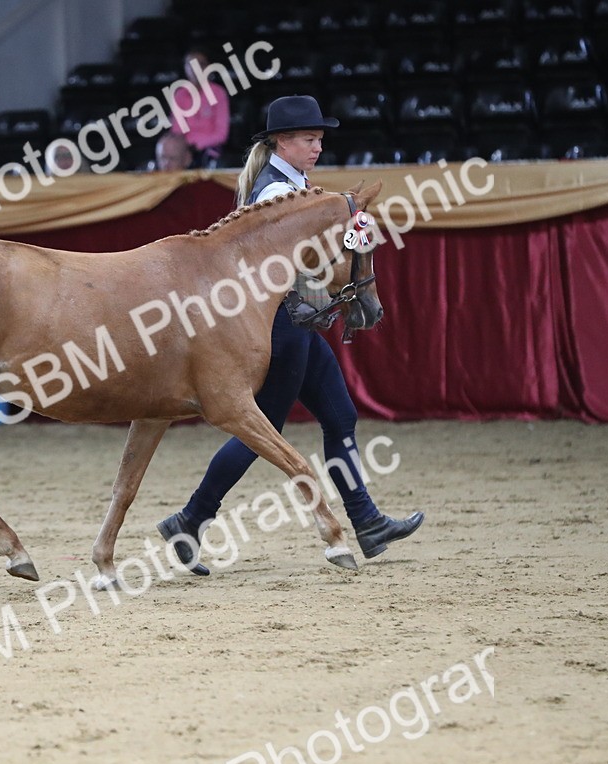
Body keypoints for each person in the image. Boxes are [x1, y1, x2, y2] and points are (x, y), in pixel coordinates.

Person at [157, 95, 424, 575]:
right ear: (282, 141)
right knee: (263, 432)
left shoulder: (295, 185)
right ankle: (191, 518)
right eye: (309, 139)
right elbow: (274, 269)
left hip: (296, 322)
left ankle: (367, 521)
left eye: (319, 140)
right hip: (280, 325)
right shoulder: (275, 193)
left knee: (339, 416)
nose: (317, 147)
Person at [172, 49, 230, 168]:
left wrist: (197, 145)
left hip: (210, 149)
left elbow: (221, 134)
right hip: (185, 149)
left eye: (201, 64)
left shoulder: (218, 93)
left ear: (208, 66)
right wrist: (186, 147)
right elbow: (177, 130)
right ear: (185, 68)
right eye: (191, 64)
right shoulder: (180, 94)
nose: (196, 69)